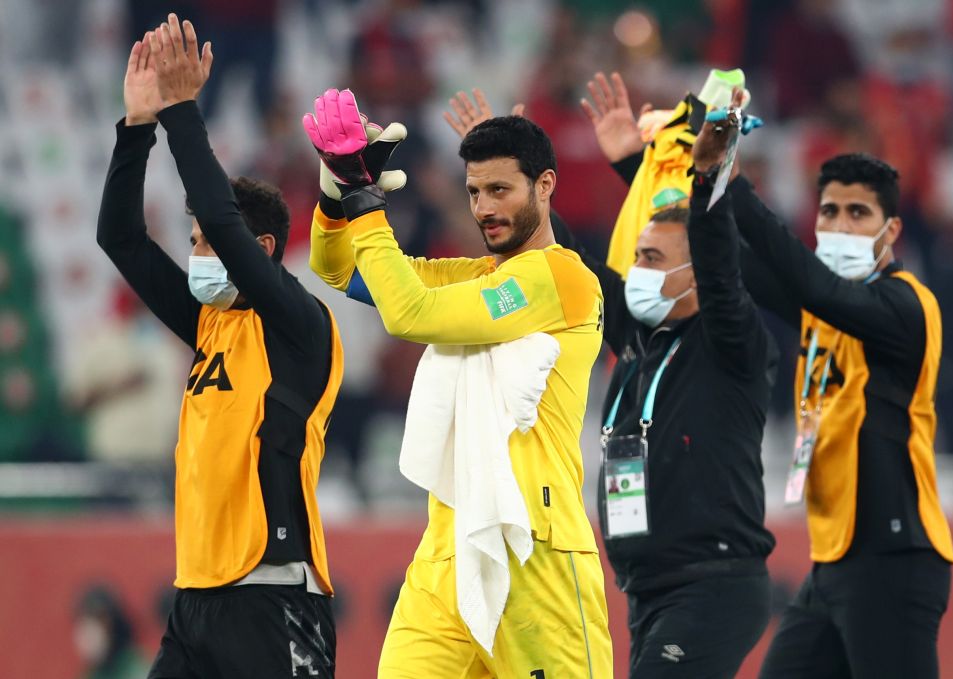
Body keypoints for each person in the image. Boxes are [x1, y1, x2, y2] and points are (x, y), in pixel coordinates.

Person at [447, 83, 777, 679]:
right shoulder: (636, 336)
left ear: (697, 272)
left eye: (651, 259)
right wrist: (514, 173)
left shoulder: (729, 343)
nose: (637, 271)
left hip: (714, 583)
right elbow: (570, 263)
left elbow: (724, 271)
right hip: (647, 585)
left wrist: (705, 182)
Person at [306, 89, 613, 677]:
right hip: (448, 547)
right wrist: (337, 186)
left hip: (536, 549)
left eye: (500, 190)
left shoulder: (562, 280)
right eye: (474, 192)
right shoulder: (475, 279)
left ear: (545, 186)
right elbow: (338, 267)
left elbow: (409, 315)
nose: (484, 207)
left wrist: (369, 203)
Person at [96, 14, 341, 677]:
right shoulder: (211, 324)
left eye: (203, 239)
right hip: (197, 596)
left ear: (259, 250)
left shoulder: (298, 322)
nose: (195, 252)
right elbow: (119, 238)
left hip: (274, 591)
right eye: (195, 238)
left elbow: (226, 222)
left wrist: (181, 112)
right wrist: (136, 127)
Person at [722, 150, 953, 679]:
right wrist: (673, 173)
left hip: (895, 555)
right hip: (834, 561)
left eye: (858, 213)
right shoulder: (822, 306)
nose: (840, 226)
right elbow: (732, 260)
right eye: (830, 212)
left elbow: (811, 284)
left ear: (892, 228)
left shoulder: (906, 306)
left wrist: (734, 186)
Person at [73, 585, 148, 679]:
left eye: (98, 618)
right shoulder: (92, 674)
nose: (89, 629)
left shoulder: (137, 671)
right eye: (84, 619)